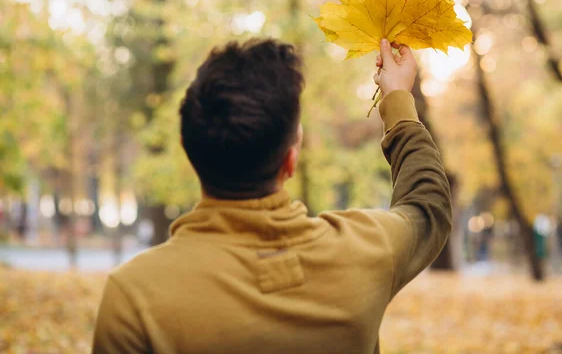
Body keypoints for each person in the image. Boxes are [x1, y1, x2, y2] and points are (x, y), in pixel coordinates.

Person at [92, 38, 452, 354]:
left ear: (190, 151)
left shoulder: (134, 297)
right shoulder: (367, 252)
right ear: (291, 159)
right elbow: (428, 205)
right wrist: (399, 101)